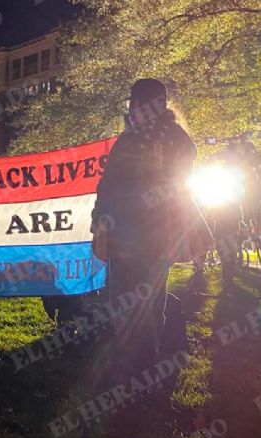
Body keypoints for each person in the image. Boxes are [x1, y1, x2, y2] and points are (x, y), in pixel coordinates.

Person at [91, 79, 212, 379]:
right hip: (141, 235)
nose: (138, 110)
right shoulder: (160, 139)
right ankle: (143, 360)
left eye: (143, 104)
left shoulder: (153, 140)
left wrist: (105, 219)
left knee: (138, 300)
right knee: (138, 298)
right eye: (136, 105)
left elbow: (116, 188)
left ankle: (140, 364)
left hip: (142, 234)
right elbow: (111, 187)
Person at [207, 202, 244, 288]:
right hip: (232, 234)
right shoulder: (235, 206)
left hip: (221, 235)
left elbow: (208, 216)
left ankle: (226, 278)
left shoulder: (217, 205)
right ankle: (228, 279)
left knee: (224, 257)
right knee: (231, 257)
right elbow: (240, 218)